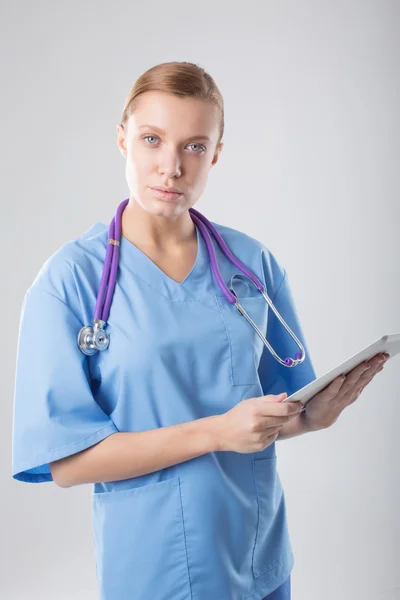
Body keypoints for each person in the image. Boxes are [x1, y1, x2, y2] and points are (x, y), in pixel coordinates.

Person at [11, 61, 387, 600]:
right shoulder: (70, 281)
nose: (171, 167)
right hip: (155, 563)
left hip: (259, 554)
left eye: (193, 146)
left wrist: (312, 418)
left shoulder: (250, 262)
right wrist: (213, 432)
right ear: (122, 139)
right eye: (152, 140)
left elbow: (269, 415)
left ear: (215, 153)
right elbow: (67, 462)